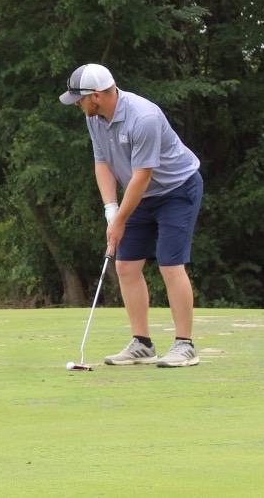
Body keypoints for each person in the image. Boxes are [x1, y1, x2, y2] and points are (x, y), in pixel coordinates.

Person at [60, 63, 204, 368]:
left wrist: (121, 219)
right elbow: (103, 163)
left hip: (177, 190)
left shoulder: (144, 117)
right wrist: (111, 211)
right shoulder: (95, 118)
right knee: (125, 265)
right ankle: (142, 344)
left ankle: (184, 345)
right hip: (140, 195)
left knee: (170, 264)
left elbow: (142, 176)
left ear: (96, 95)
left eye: (79, 98)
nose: (76, 104)